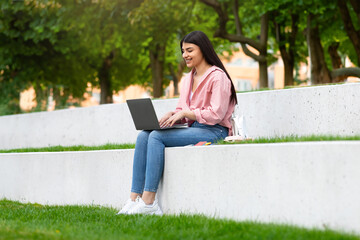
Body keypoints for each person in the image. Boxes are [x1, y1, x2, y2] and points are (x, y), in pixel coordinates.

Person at [117, 30, 237, 215]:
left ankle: (149, 203)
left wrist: (187, 113)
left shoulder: (217, 77)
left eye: (190, 50)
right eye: (183, 51)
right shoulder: (188, 77)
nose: (185, 55)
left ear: (203, 50)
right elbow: (183, 109)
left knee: (156, 137)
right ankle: (134, 199)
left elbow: (216, 113)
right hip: (195, 128)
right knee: (144, 136)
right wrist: (174, 115)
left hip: (215, 131)